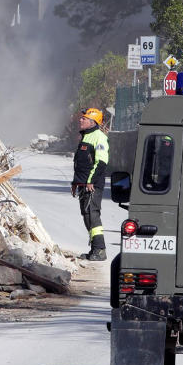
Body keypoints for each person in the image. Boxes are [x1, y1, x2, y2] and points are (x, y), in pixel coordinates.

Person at [71, 107, 109, 261]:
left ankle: (100, 250)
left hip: (92, 185)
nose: (80, 120)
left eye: (84, 118)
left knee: (93, 215)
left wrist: (90, 181)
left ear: (92, 122)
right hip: (83, 184)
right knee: (87, 216)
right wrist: (75, 183)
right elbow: (80, 163)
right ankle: (94, 250)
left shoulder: (99, 137)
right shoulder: (86, 136)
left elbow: (101, 161)